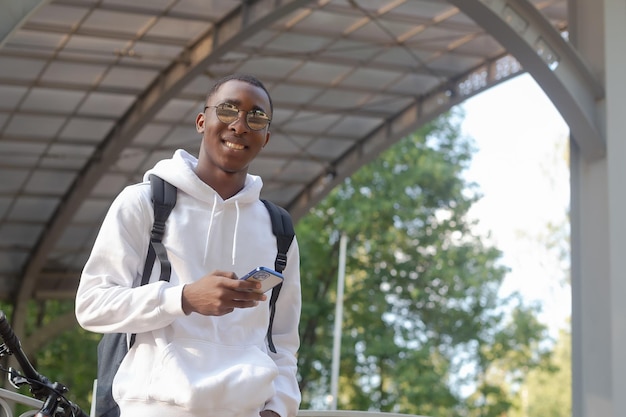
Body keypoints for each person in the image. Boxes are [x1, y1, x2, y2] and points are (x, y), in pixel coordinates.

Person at [75, 73, 302, 417]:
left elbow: (282, 340)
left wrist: (278, 410)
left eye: (256, 117)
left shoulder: (279, 229)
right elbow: (92, 305)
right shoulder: (145, 202)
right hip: (153, 408)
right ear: (201, 121)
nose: (240, 125)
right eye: (227, 110)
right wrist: (183, 298)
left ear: (265, 138)